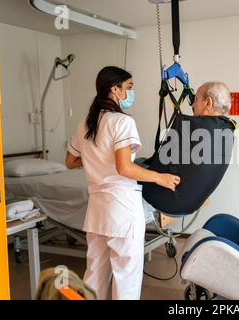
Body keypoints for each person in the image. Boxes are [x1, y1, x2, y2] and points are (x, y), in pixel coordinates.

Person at [65, 66, 180, 300]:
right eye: (128, 87)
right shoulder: (122, 122)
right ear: (114, 89)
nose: (130, 92)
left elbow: (70, 161)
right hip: (121, 211)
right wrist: (161, 178)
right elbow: (124, 168)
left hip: (97, 212)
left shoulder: (84, 123)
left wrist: (93, 159)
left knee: (94, 274)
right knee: (126, 277)